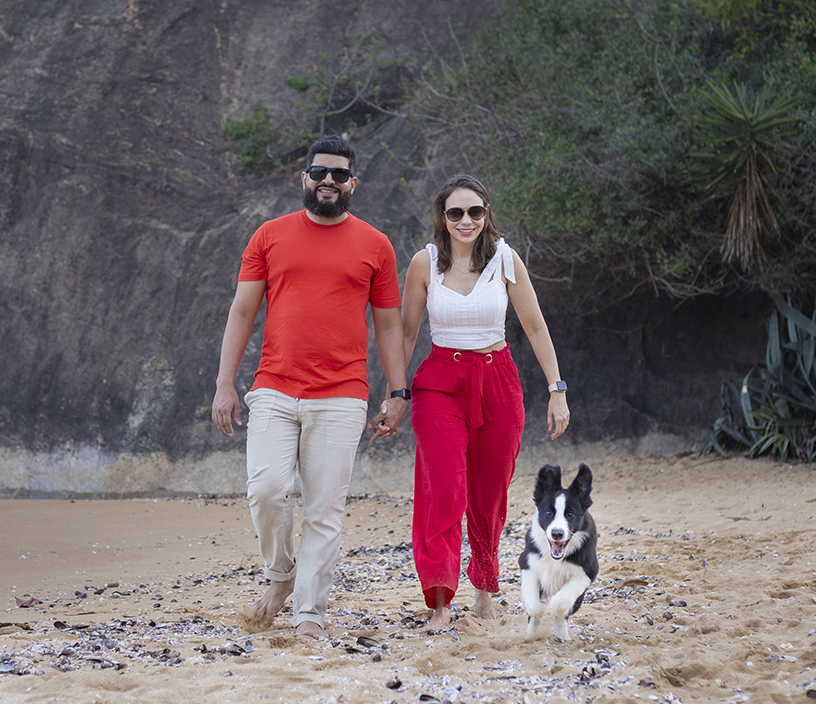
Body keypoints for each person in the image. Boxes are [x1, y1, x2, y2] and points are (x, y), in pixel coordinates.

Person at [212, 135, 408, 640]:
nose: (328, 181)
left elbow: (388, 325)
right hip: (274, 389)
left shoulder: (376, 245)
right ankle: (282, 575)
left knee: (324, 509)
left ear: (352, 183)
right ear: (305, 178)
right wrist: (224, 383)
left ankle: (309, 614)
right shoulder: (269, 235)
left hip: (342, 395)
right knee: (266, 491)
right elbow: (242, 311)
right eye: (319, 172)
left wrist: (397, 393)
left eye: (339, 174)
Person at [398, 173, 569, 631]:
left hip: (498, 381)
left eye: (475, 211)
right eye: (456, 212)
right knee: (445, 491)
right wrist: (397, 393)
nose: (466, 220)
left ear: (487, 213)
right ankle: (440, 601)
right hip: (440, 383)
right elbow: (407, 334)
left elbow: (535, 326)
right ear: (443, 218)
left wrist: (556, 389)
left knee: (490, 494)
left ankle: (484, 588)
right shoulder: (424, 264)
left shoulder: (506, 260)